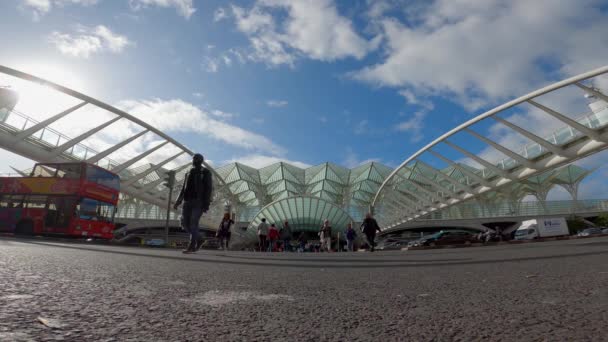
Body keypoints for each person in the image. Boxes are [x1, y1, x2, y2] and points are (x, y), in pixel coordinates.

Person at [173, 153, 213, 254]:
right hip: (187, 201)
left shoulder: (206, 172)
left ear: (201, 161)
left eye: (196, 159)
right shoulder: (188, 172)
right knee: (184, 224)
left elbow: (208, 189)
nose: (194, 160)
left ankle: (191, 246)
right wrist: (178, 202)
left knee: (193, 224)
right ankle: (200, 239)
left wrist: (206, 204)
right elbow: (183, 189)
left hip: (198, 202)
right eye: (194, 158)